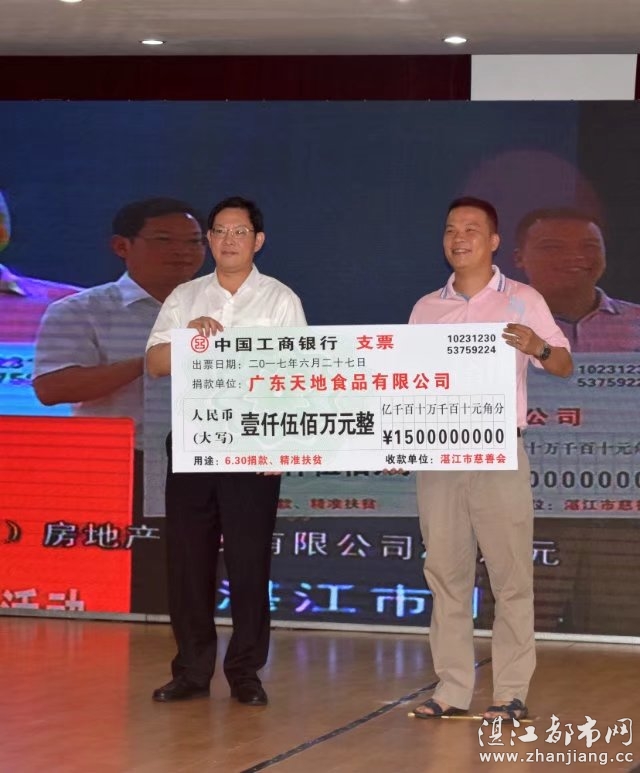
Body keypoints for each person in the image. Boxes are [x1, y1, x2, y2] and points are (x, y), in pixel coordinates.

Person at [408, 196, 572, 721]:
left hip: (498, 451)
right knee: (445, 573)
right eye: (451, 229)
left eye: (471, 229)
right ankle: (451, 689)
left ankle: (510, 691)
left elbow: (563, 363)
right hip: (438, 455)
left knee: (510, 575)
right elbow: (408, 383)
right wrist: (399, 439)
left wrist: (538, 347)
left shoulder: (522, 299)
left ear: (494, 241)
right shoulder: (425, 308)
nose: (459, 238)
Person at [146, 195, 306, 706]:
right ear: (210, 240)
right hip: (193, 444)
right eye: (220, 231)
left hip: (254, 447)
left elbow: (299, 375)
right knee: (188, 562)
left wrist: (282, 448)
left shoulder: (280, 299)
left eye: (240, 232)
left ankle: (245, 672)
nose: (229, 240)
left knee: (248, 562)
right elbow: (154, 364)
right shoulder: (186, 296)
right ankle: (192, 671)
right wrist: (188, 339)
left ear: (258, 241)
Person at [33, 197, 206, 444]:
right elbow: (51, 389)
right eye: (164, 240)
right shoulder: (79, 310)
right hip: (120, 455)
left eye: (194, 241)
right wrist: (147, 363)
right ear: (121, 246)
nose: (182, 250)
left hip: (212, 454)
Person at [514, 207, 640, 352]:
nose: (574, 256)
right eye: (553, 247)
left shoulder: (636, 320)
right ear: (519, 258)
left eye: (589, 246)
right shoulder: (495, 320)